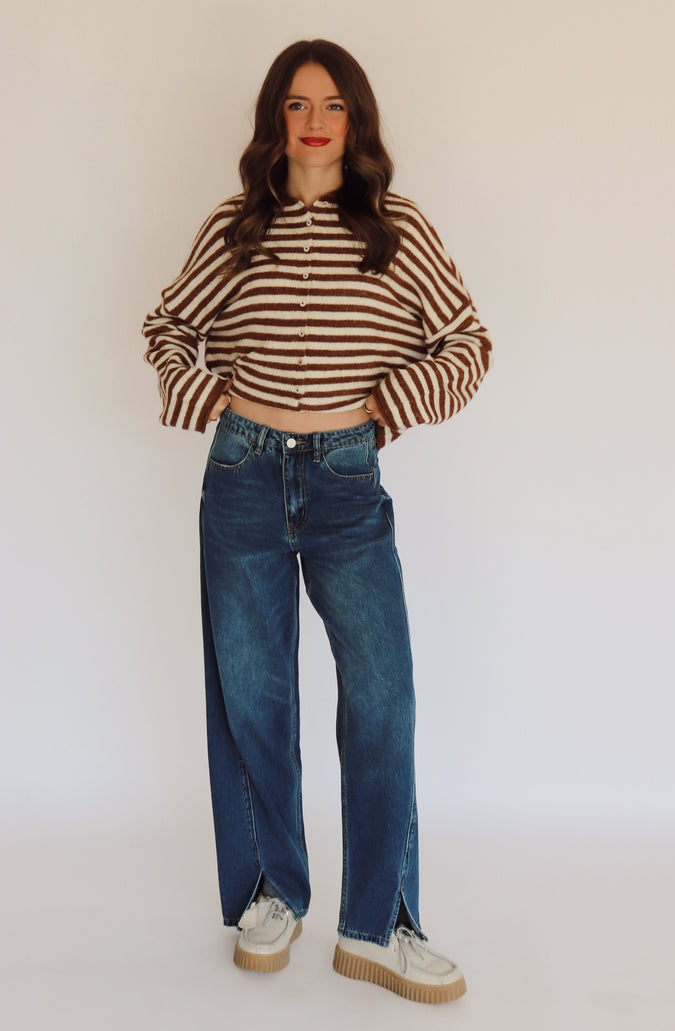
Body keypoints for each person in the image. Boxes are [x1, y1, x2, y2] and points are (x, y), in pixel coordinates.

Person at [142, 39, 492, 1005]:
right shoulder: (235, 228)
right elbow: (168, 326)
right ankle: (272, 890)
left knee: (382, 698)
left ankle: (380, 923)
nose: (314, 121)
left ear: (356, 119)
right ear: (276, 118)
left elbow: (467, 342)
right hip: (242, 475)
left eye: (333, 104)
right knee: (252, 694)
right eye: (297, 104)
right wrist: (207, 397)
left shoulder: (395, 228)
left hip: (345, 480)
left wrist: (387, 406)